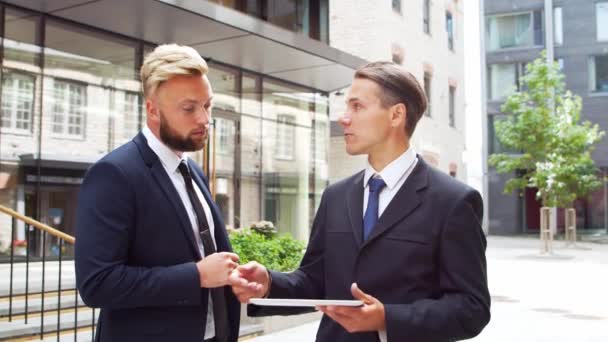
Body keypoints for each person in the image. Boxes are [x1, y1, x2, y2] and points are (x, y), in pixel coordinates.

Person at [230, 61, 491, 342]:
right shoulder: (336, 196)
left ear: (396, 115)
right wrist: (269, 282)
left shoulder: (453, 201)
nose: (344, 118)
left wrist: (387, 319)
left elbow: (471, 308)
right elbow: (315, 281)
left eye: (357, 106)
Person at [75, 44, 244, 342]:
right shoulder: (114, 174)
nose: (204, 119)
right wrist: (197, 275)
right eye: (189, 108)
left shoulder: (192, 171)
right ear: (152, 110)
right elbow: (97, 283)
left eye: (208, 105)